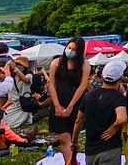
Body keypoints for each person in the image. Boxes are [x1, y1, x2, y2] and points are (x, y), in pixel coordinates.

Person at [49, 36, 91, 165]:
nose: (70, 51)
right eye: (69, 48)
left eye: (74, 49)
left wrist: (71, 106)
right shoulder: (56, 63)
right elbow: (51, 84)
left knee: (73, 138)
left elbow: (83, 86)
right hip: (58, 101)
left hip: (76, 102)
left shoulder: (84, 64)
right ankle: (70, 162)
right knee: (63, 137)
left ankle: (73, 160)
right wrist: (56, 105)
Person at [78, 59, 128, 165]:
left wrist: (74, 140)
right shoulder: (118, 98)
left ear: (103, 77)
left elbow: (78, 120)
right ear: (120, 78)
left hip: (91, 150)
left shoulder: (89, 95)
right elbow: (122, 118)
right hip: (110, 149)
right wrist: (114, 126)